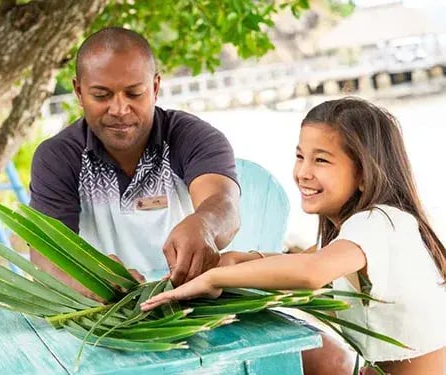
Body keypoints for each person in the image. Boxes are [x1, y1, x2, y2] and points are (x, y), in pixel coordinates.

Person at [142, 97, 446, 374]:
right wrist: (241, 259)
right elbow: (303, 259)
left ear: (365, 174)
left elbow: (311, 271)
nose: (303, 172)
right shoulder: (350, 236)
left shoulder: (380, 222)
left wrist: (213, 279)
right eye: (300, 157)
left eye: (321, 160)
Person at [29, 27, 240, 294]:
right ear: (78, 92)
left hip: (190, 301)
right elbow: (46, 255)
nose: (119, 109)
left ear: (155, 87)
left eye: (134, 93)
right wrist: (88, 281)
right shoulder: (57, 157)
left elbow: (224, 204)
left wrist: (205, 225)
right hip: (100, 315)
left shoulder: (194, 137)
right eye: (101, 95)